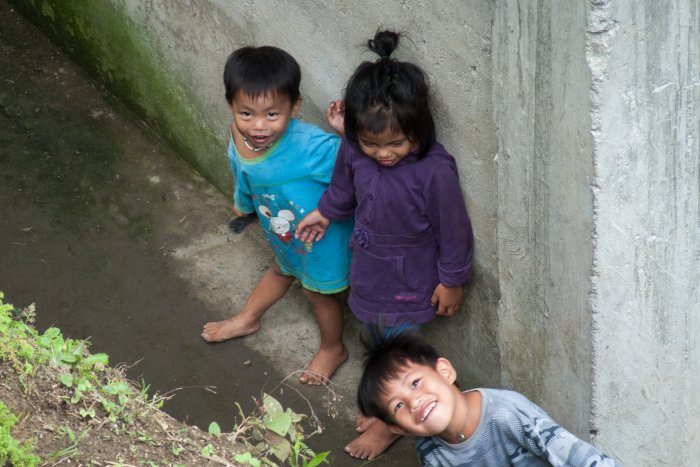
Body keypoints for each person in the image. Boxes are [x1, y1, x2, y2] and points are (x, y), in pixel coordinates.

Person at [295, 30, 474, 459]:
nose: (384, 154)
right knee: (375, 335)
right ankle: (388, 404)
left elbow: (454, 230)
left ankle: (393, 420)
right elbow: (344, 183)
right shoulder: (356, 149)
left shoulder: (434, 171)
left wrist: (451, 281)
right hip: (370, 265)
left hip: (411, 278)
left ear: (420, 128)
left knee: (398, 351)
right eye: (373, 144)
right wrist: (326, 210)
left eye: (396, 143)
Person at [200, 45, 354, 386]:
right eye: (246, 114)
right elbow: (242, 170)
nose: (258, 126)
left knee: (317, 294)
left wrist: (347, 133)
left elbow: (358, 165)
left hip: (321, 240)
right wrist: (243, 201)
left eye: (272, 115)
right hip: (284, 235)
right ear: (231, 107)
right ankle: (247, 319)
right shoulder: (238, 135)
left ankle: (333, 347)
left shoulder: (312, 147)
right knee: (280, 269)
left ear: (294, 106)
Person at [357, 332, 620, 467]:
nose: (414, 402)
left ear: (445, 372)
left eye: (415, 383)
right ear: (398, 428)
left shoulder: (508, 414)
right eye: (399, 406)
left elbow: (582, 459)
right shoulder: (430, 451)